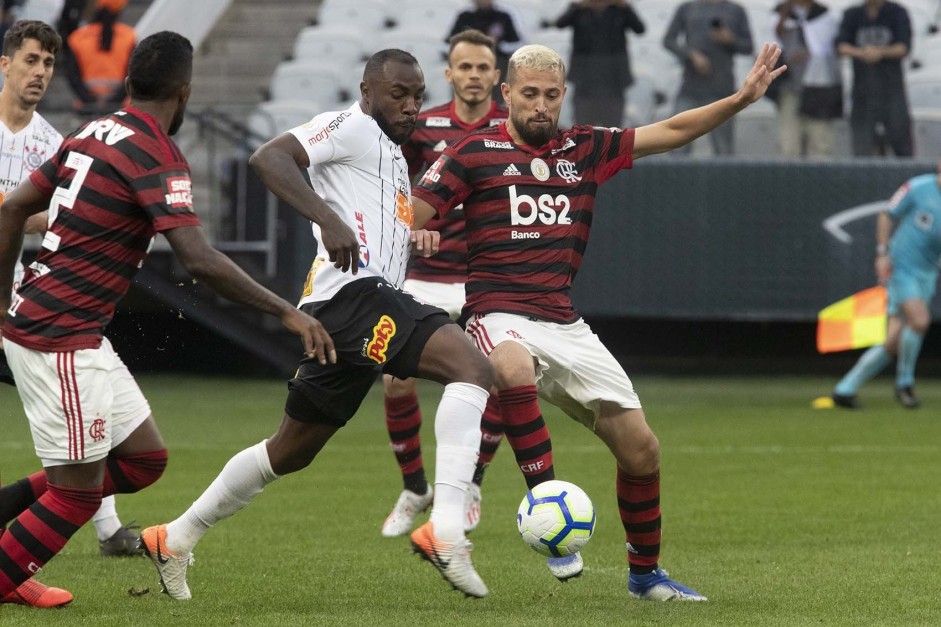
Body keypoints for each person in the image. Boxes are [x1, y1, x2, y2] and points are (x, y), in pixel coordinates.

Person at [411, 41, 785, 600]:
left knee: (642, 450)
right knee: (510, 364)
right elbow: (410, 210)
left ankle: (646, 577)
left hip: (565, 323)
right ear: (506, 94)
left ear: (563, 96)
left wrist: (739, 99)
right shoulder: (473, 151)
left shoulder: (585, 147)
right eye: (530, 94)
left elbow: (674, 130)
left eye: (551, 95)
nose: (541, 105)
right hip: (496, 312)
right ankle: (549, 513)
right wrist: (416, 227)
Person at [140, 48, 496, 601]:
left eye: (418, 96)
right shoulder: (351, 125)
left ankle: (175, 536)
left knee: (291, 450)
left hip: (345, 312)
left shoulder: (394, 156)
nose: (409, 105)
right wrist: (326, 219)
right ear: (367, 91)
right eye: (397, 94)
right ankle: (447, 529)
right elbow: (268, 158)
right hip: (353, 297)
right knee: (472, 367)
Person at [0, 30, 333, 606]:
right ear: (183, 93)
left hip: (70, 329)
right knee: (76, 496)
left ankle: (10, 522)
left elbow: (12, 207)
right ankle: (7, 577)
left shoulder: (92, 130)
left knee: (144, 458)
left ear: (129, 82)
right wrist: (287, 312)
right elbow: (199, 260)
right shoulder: (154, 150)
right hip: (60, 337)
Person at [381, 29, 508, 539]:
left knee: (499, 374)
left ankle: (472, 483)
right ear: (450, 73)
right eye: (465, 67)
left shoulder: (510, 127)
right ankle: (415, 488)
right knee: (395, 379)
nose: (474, 76)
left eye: (483, 68)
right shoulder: (421, 124)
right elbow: (392, 184)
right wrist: (412, 226)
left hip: (485, 277)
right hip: (426, 276)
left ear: (496, 77)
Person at [832, 162, 941, 410]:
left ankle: (845, 389)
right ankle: (905, 383)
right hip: (902, 267)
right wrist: (882, 253)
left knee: (893, 340)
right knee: (920, 321)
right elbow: (886, 214)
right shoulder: (917, 187)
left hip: (927, 272)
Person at [662, 0, 754, 156]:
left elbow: (748, 46)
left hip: (721, 90)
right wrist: (691, 55)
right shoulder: (687, 8)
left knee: (723, 148)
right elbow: (669, 40)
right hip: (690, 87)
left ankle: (724, 180)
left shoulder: (736, 10)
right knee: (677, 144)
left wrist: (730, 40)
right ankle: (676, 179)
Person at [549, 0, 646, 127]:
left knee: (612, 128)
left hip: (614, 78)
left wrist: (626, 7)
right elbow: (560, 23)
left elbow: (640, 29)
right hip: (585, 78)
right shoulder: (579, 10)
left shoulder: (620, 10)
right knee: (584, 126)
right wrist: (579, 6)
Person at [836, 0, 913, 157]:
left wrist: (880, 52)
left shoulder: (896, 12)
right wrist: (862, 53)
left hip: (892, 91)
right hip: (862, 93)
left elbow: (903, 47)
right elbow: (841, 46)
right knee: (861, 149)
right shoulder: (853, 14)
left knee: (902, 146)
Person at [770, 0, 842, 158]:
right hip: (790, 87)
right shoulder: (780, 13)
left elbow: (830, 51)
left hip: (820, 88)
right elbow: (771, 42)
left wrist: (811, 52)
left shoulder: (824, 15)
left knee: (820, 143)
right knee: (789, 145)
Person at [63, 0, 134, 114]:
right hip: (119, 106)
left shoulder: (78, 37)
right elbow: (132, 73)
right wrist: (115, 99)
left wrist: (88, 99)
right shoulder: (129, 36)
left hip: (87, 106)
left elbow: (72, 74)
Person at [446, 0, 525, 102]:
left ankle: (496, 105)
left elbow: (518, 44)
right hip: (468, 59)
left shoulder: (503, 17)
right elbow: (446, 44)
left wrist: (498, 45)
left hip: (496, 61)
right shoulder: (464, 17)